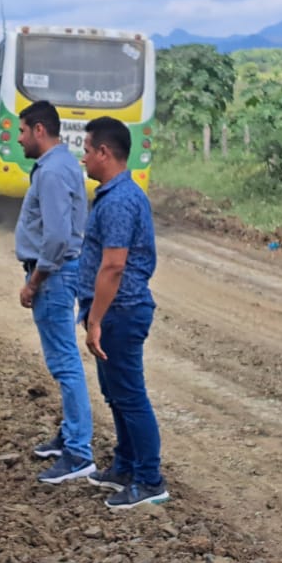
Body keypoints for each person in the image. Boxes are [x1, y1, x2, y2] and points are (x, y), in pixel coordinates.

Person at [77, 117, 169, 509]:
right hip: (115, 311)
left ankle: (149, 480)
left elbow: (113, 266)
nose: (83, 158)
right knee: (115, 393)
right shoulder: (117, 195)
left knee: (130, 396)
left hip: (121, 311)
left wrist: (95, 320)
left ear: (104, 152)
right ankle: (126, 466)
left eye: (86, 150)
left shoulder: (118, 201)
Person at [14, 100, 95, 484]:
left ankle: (79, 452)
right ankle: (70, 435)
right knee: (64, 360)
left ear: (39, 130)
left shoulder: (51, 171)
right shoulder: (62, 164)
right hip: (60, 272)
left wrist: (35, 282)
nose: (19, 138)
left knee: (65, 363)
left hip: (55, 275)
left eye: (22, 131)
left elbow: (58, 236)